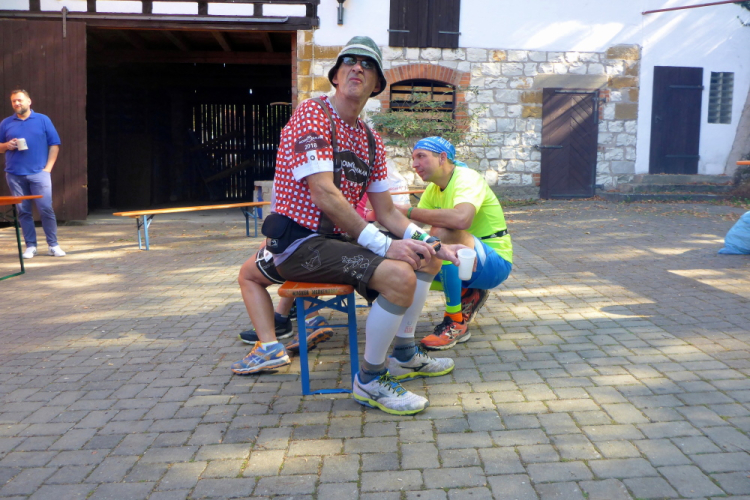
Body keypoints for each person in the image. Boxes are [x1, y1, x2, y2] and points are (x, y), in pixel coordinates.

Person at [232, 36, 464, 415]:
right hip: (300, 243)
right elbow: (323, 192)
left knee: (427, 259)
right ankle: (370, 380)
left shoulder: (370, 139)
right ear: (336, 76)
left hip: (335, 243)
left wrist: (434, 244)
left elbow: (388, 213)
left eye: (368, 64)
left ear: (377, 85)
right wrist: (385, 246)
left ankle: (404, 354)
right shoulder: (313, 114)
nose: (358, 67)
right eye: (349, 61)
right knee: (399, 277)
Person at [401, 137, 512, 350]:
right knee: (404, 260)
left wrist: (407, 211)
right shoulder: (433, 189)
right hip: (466, 263)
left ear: (442, 158)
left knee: (441, 233)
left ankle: (456, 322)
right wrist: (376, 216)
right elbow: (410, 227)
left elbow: (462, 219)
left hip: (495, 262)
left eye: (421, 156)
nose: (414, 164)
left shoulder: (466, 177)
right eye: (413, 158)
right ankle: (469, 292)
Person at [0, 89, 65, 259]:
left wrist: (47, 169)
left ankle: (53, 245)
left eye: (20, 100)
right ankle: (31, 246)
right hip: (14, 174)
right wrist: (6, 145)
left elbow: (54, 144)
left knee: (46, 209)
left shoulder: (43, 120)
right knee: (23, 211)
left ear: (29, 101)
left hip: (39, 173)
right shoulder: (6, 123)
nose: (17, 103)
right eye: (14, 101)